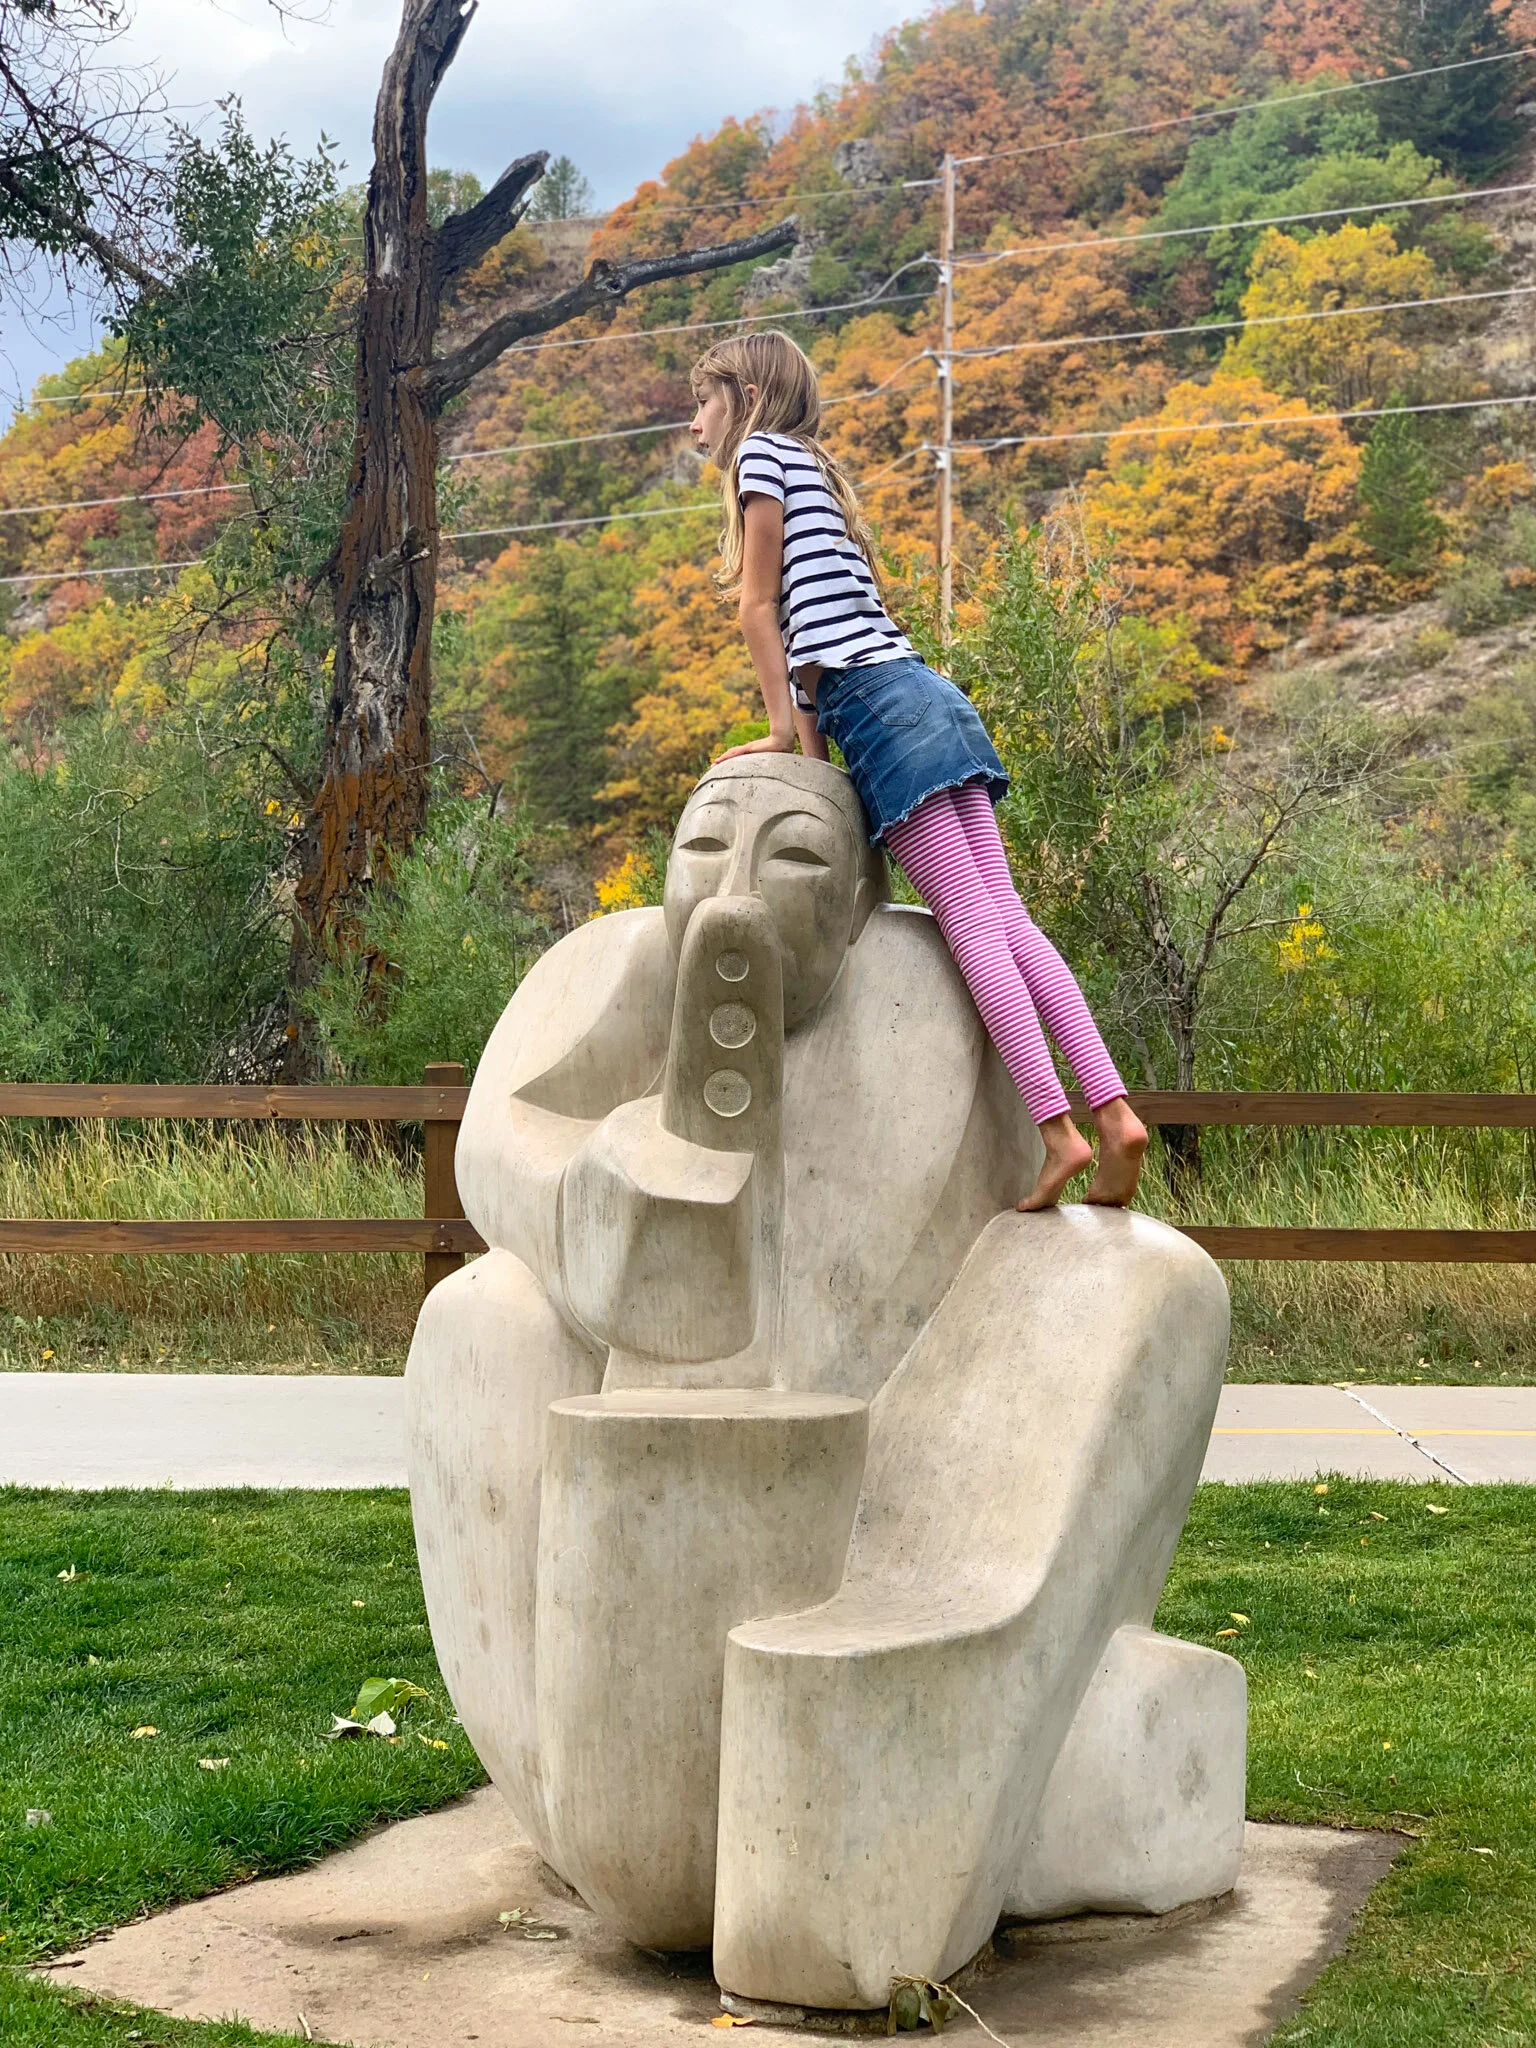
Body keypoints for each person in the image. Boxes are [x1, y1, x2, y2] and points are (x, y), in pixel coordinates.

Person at [688, 328, 1147, 1210]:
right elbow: (825, 636)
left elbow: (759, 610)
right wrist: (814, 753)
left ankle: (1056, 1132)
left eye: (703, 402)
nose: (694, 425)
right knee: (1010, 918)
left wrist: (781, 735)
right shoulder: (816, 468)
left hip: (881, 711)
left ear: (743, 398)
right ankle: (1115, 1112)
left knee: (972, 929)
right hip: (927, 694)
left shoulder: (760, 462)